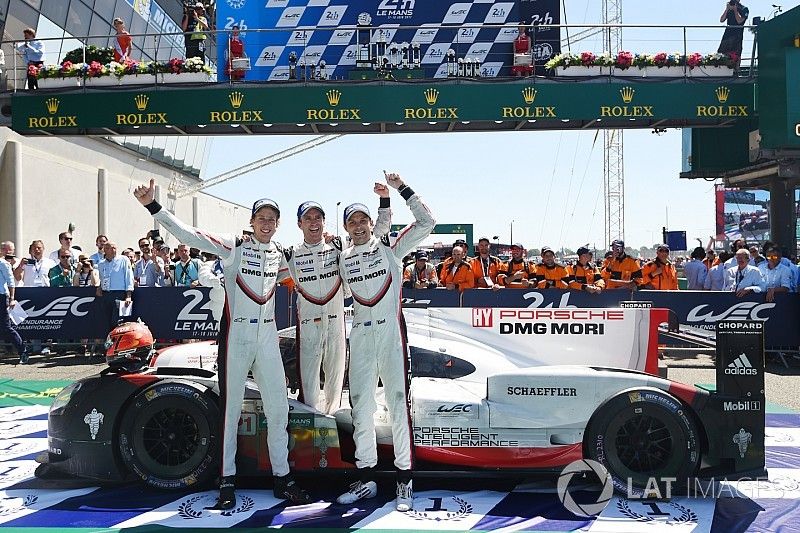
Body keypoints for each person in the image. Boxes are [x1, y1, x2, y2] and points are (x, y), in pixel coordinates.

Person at [134, 178, 311, 509]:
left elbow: (307, 273)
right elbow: (189, 235)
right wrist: (153, 206)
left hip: (268, 336)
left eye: (272, 219)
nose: (267, 223)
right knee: (231, 411)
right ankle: (227, 481)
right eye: (262, 218)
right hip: (237, 336)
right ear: (252, 221)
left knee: (279, 409)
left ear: (278, 223)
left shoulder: (279, 254)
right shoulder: (234, 246)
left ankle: (283, 478)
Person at [336, 172, 435, 512]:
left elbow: (427, 222)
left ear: (371, 223)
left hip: (392, 332)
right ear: (347, 228)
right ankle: (366, 479)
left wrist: (400, 189)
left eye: (363, 220)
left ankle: (404, 481)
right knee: (361, 407)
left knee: (397, 404)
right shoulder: (343, 258)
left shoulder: (392, 249)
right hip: (361, 332)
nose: (359, 226)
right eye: (353, 222)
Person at [284, 192, 390, 415]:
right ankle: (309, 423)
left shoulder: (341, 245)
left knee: (335, 378)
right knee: (308, 381)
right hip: (308, 324)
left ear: (324, 222)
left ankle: (333, 422)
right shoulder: (291, 254)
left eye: (318, 218)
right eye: (308, 218)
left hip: (335, 322)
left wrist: (384, 202)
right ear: (299, 224)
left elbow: (376, 234)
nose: (314, 223)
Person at [96, 241, 134, 333]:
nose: (113, 250)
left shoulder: (123, 260)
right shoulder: (101, 264)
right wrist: (99, 287)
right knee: (106, 320)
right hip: (106, 294)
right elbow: (102, 278)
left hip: (119, 293)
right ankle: (109, 341)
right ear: (105, 250)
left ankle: (117, 341)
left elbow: (128, 276)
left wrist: (128, 295)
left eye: (114, 248)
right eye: (110, 248)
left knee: (116, 320)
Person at [0, 252, 26, 364]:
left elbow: (11, 281)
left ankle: (23, 351)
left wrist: (11, 298)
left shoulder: (3, 263)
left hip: (1, 296)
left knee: (6, 327)